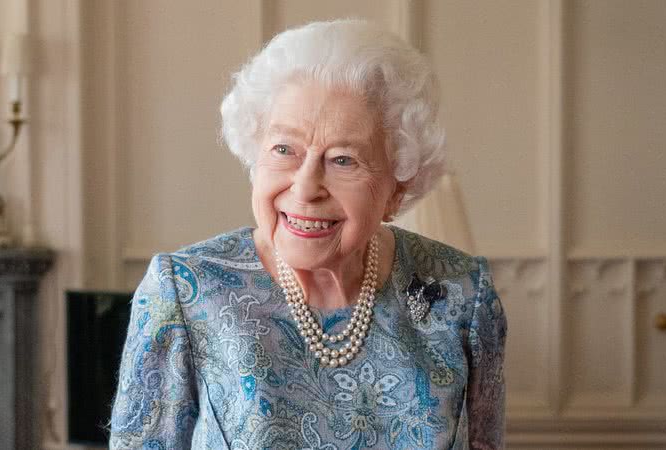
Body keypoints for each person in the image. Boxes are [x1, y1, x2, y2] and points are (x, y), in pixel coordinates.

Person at [109, 19, 506, 450]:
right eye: (284, 150)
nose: (305, 188)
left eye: (343, 160)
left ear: (397, 186)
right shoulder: (187, 292)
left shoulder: (460, 292)